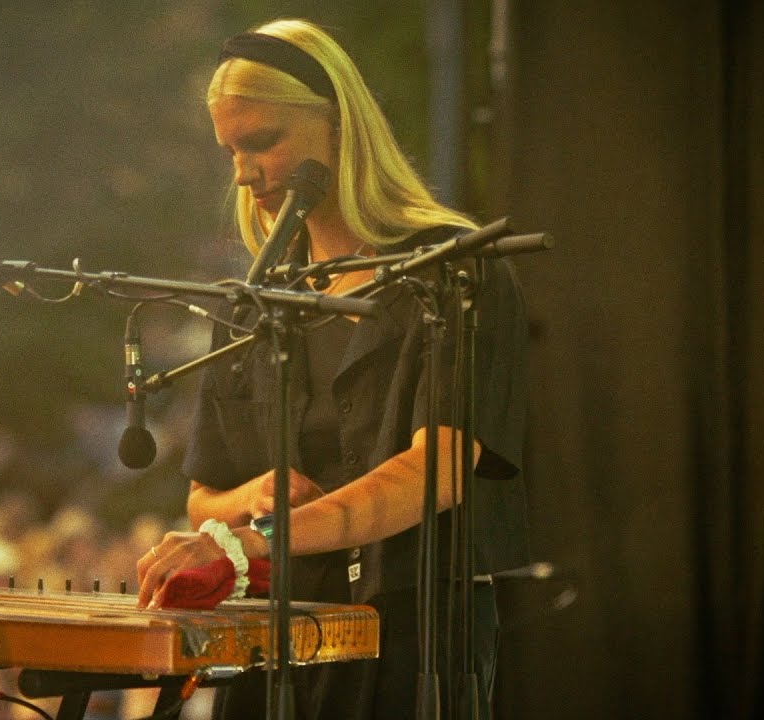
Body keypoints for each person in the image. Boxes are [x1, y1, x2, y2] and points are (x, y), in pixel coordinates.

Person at [136, 19, 530, 720]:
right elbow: (204, 496)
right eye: (230, 150)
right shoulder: (254, 302)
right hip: (273, 632)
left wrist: (257, 538)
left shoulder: (452, 270)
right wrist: (246, 499)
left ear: (341, 129)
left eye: (262, 142)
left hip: (413, 636)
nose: (243, 172)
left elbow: (437, 470)